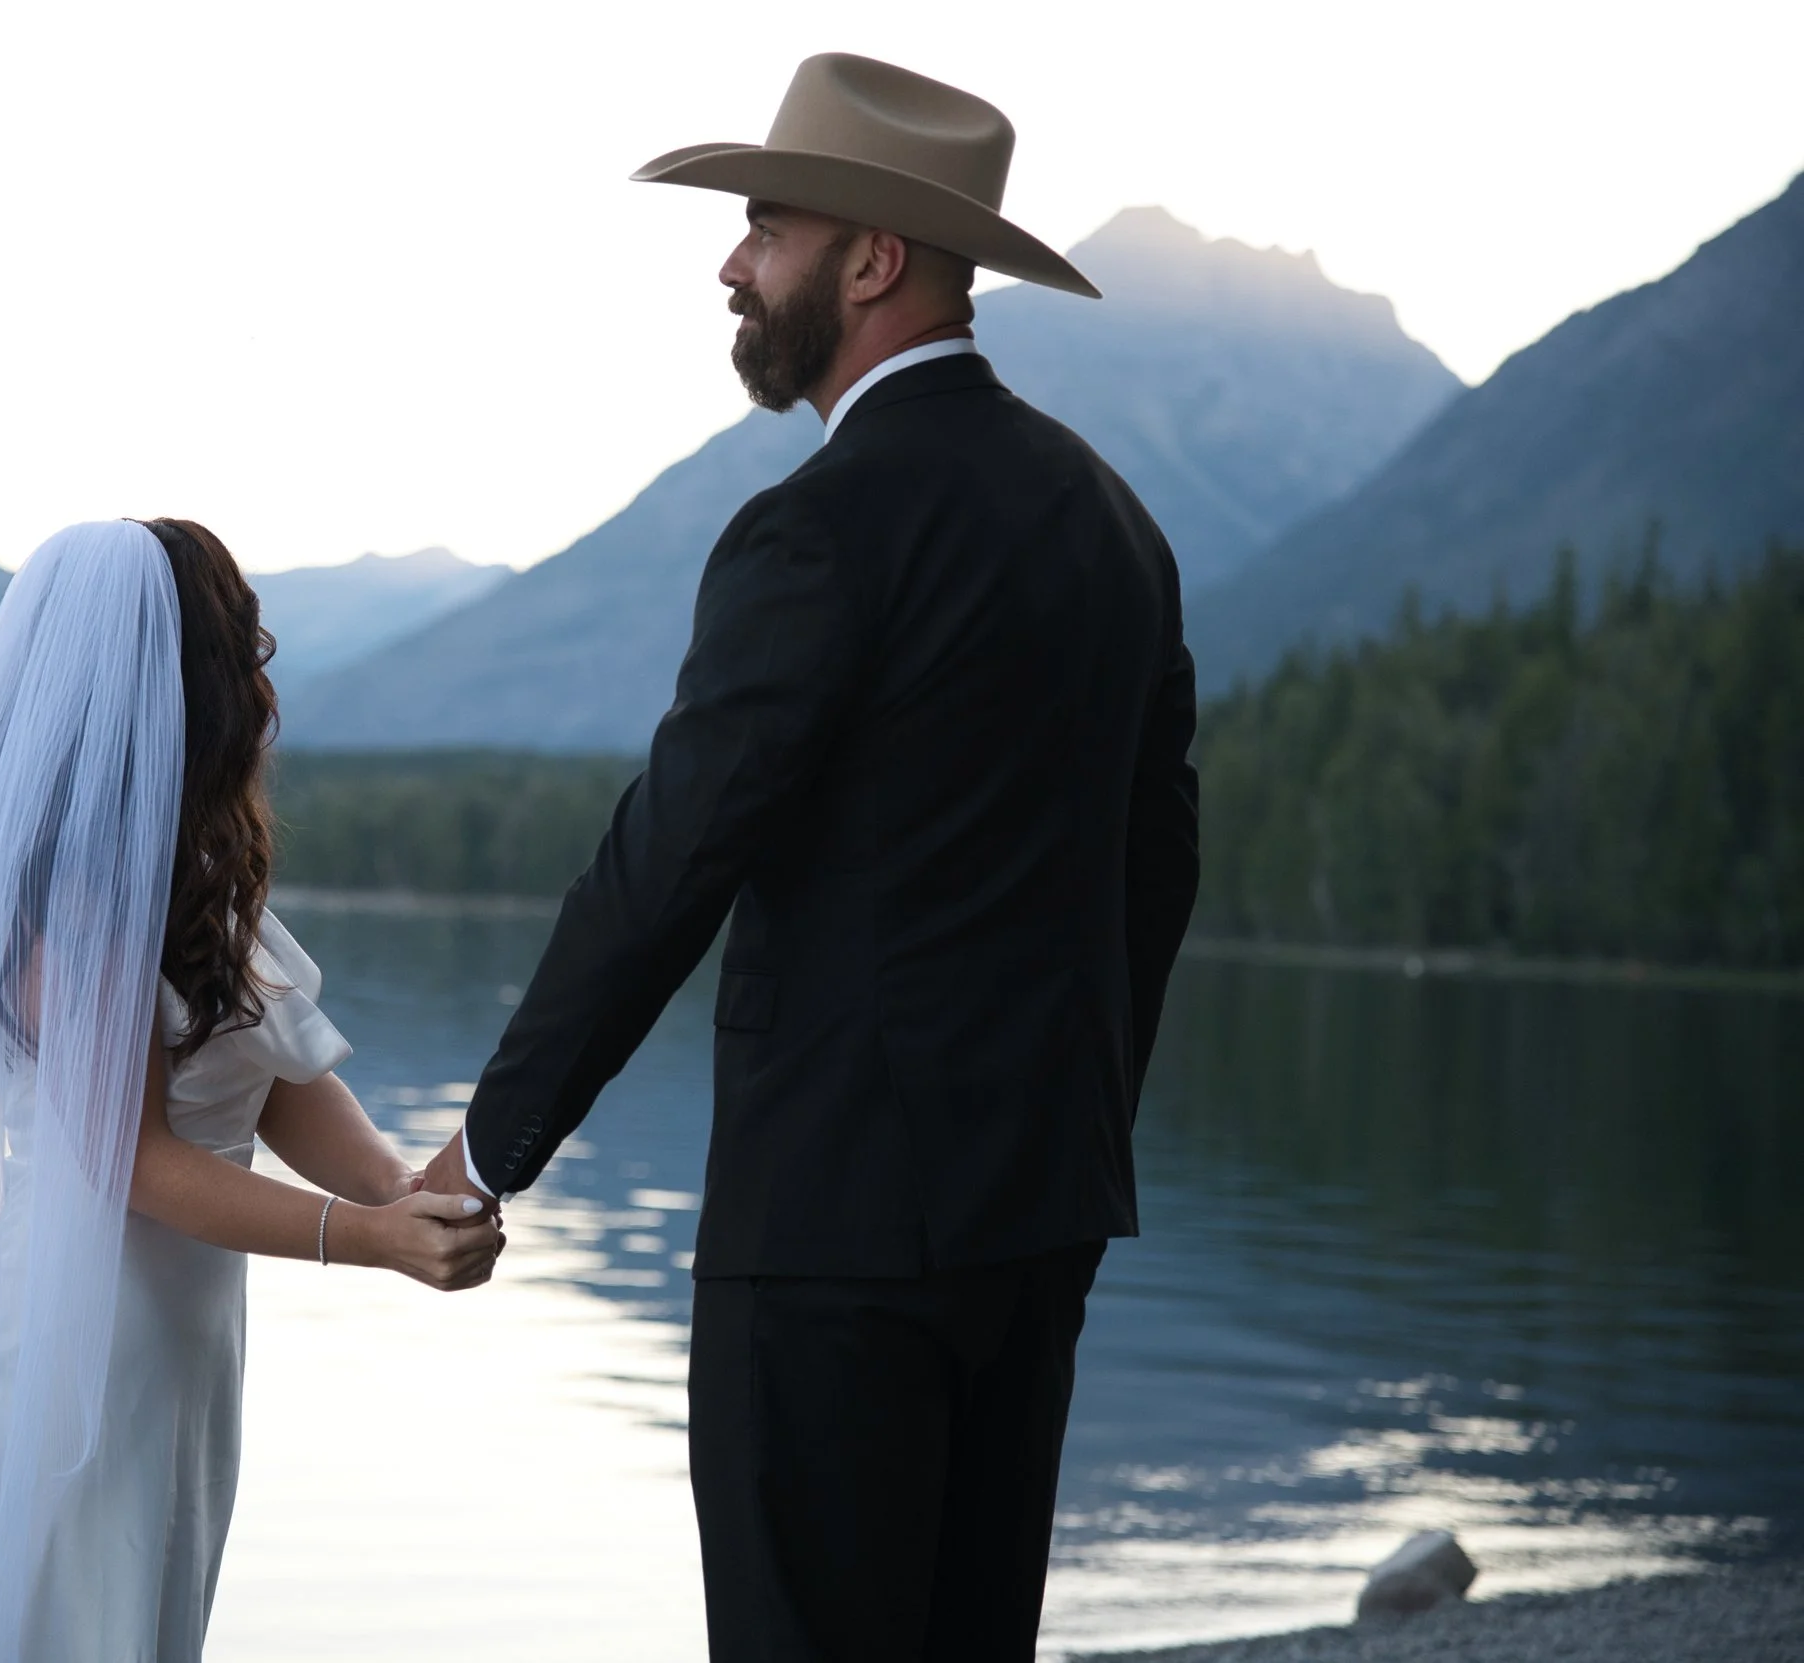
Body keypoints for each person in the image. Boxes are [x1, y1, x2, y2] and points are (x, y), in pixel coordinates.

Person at [421, 53, 1201, 1662]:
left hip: (831, 1238)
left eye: (764, 228)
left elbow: (672, 859)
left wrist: (492, 1146)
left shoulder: (818, 526)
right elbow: (1158, 871)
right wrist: (1070, 1132)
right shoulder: (1119, 526)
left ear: (871, 258)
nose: (729, 263)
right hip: (1038, 1225)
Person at [0, 517, 500, 1663]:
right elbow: (127, 1157)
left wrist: (410, 1190)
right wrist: (369, 1238)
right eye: (243, 643)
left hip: (175, 1347)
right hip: (62, 1349)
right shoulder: (73, 888)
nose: (262, 669)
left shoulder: (194, 877)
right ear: (197, 675)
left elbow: (270, 1085)